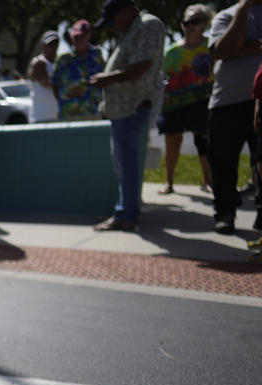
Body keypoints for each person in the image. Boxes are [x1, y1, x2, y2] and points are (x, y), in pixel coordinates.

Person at [91, 0, 165, 231]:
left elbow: (142, 66)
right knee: (123, 164)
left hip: (132, 107)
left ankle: (127, 214)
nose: (112, 27)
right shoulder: (132, 29)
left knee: (127, 164)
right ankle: (125, 211)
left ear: (125, 11)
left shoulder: (148, 24)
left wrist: (107, 79)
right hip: (120, 109)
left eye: (113, 20)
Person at [205, 0, 262, 234]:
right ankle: (225, 213)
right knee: (222, 162)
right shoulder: (226, 16)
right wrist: (243, 9)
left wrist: (243, 49)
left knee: (260, 162)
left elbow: (231, 51)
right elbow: (222, 50)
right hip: (226, 102)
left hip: (260, 102)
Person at [157, 5, 214, 195]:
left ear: (205, 24)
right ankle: (169, 182)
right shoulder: (171, 52)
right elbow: (161, 79)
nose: (190, 26)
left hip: (203, 102)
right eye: (187, 22)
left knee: (204, 142)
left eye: (195, 22)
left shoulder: (211, 47)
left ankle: (208, 181)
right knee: (172, 141)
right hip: (174, 104)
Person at [53, 20, 106, 121]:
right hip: (69, 113)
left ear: (89, 36)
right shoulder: (63, 58)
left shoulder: (97, 54)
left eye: (81, 37)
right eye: (75, 37)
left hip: (93, 111)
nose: (77, 40)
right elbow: (54, 84)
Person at [29, 31, 61, 123]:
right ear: (42, 46)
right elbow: (47, 82)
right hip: (40, 117)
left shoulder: (60, 62)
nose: (54, 47)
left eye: (56, 43)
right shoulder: (38, 62)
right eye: (50, 44)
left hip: (57, 115)